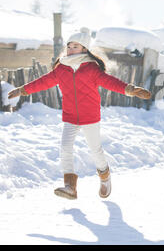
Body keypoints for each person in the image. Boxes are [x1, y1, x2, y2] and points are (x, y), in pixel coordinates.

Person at [8, 27, 152, 200]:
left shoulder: (91, 69)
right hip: (70, 117)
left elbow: (110, 82)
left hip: (90, 117)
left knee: (95, 150)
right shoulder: (61, 68)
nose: (70, 49)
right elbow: (43, 82)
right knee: (65, 148)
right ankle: (70, 186)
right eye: (69, 46)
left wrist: (130, 90)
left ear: (84, 48)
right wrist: (23, 90)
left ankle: (105, 176)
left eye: (75, 46)